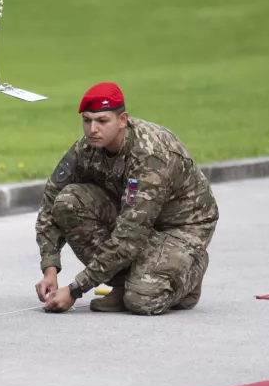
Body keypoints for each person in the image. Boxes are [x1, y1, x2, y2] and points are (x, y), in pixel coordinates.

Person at [35, 82, 220, 315]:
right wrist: (49, 269)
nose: (92, 129)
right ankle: (125, 284)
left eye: (102, 121)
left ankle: (189, 271)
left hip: (182, 228)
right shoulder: (87, 148)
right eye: (87, 120)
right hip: (137, 220)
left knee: (143, 300)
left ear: (122, 120)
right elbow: (50, 202)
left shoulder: (150, 156)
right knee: (68, 202)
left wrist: (75, 289)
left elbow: (130, 236)